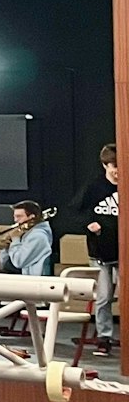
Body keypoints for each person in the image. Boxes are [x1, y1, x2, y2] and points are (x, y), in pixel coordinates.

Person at [74, 143, 119, 352]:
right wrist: (89, 224)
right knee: (104, 296)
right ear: (105, 166)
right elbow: (75, 212)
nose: (117, 173)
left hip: (122, 252)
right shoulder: (94, 188)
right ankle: (104, 336)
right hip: (100, 252)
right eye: (113, 168)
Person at [1, 200, 54, 277]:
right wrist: (8, 246)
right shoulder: (25, 233)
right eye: (14, 217)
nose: (15, 220)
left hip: (32, 281)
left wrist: (15, 240)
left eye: (19, 216)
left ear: (32, 217)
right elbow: (5, 262)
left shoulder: (38, 236)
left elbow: (19, 262)